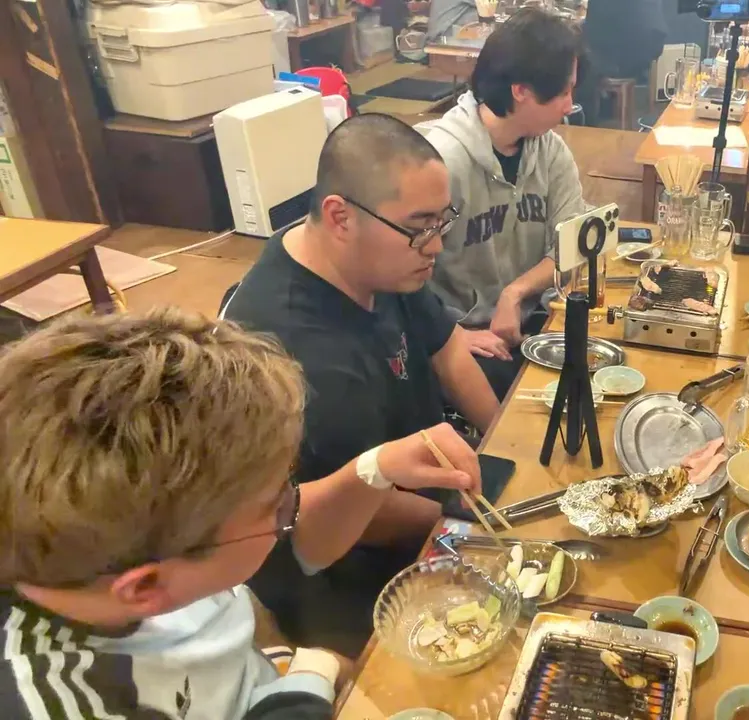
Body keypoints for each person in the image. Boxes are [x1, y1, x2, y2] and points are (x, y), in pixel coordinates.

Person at [0, 309, 482, 719]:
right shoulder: (68, 700)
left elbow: (257, 597)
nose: (291, 508)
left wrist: (373, 468)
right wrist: (311, 676)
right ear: (145, 588)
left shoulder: (142, 542)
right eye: (278, 509)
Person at [222, 113, 500, 656]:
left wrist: (501, 444)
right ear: (339, 216)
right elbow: (362, 508)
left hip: (426, 483)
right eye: (421, 226)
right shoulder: (296, 351)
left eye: (442, 222)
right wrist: (476, 526)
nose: (436, 246)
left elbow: (447, 349)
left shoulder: (378, 259)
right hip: (349, 566)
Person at [420, 7, 590, 399]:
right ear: (521, 91)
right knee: (533, 401)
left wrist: (515, 293)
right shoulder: (444, 162)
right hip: (462, 334)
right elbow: (397, 276)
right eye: (562, 92)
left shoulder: (550, 151)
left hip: (528, 320)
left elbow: (571, 247)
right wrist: (451, 335)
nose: (569, 105)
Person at [577, 0, 667, 127]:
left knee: (579, 65)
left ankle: (582, 123)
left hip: (623, 51)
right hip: (651, 42)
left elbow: (595, 27)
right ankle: (605, 110)